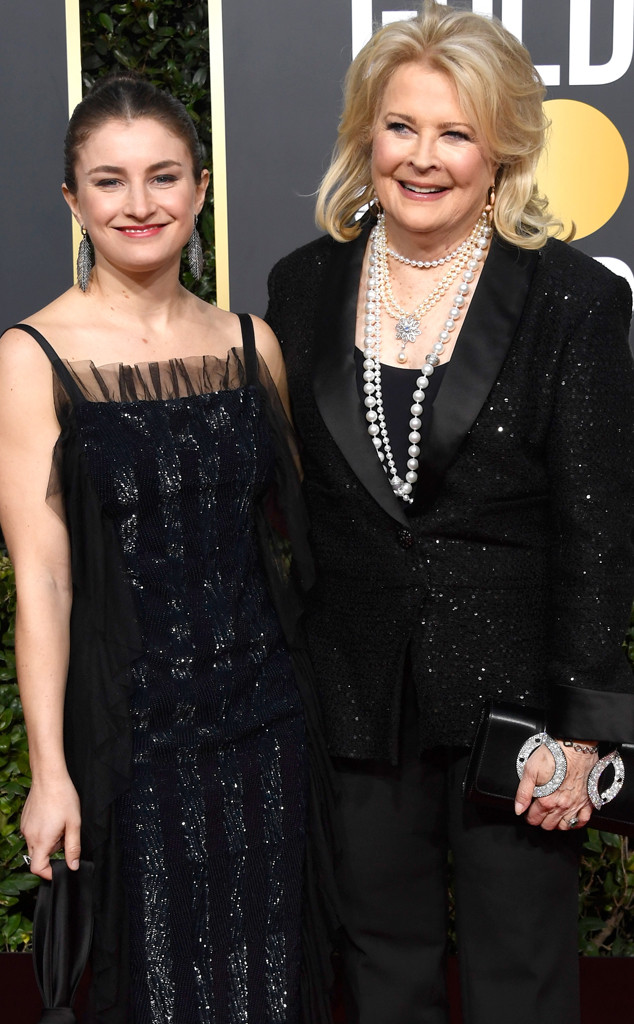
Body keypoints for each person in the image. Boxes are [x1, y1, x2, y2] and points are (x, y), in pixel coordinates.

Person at [265, 3, 634, 1022]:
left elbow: (597, 532)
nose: (421, 158)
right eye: (400, 127)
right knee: (380, 973)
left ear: (501, 147)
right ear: (363, 134)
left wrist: (587, 732)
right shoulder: (300, 288)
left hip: (517, 720)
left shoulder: (571, 301)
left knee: (520, 979)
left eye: (455, 132)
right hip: (356, 705)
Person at [0, 74, 335, 1024]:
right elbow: (47, 581)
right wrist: (50, 772)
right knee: (155, 982)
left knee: (268, 980)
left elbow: (292, 543)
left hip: (268, 725)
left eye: (163, 177)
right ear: (73, 200)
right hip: (131, 739)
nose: (139, 204)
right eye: (109, 182)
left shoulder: (250, 345)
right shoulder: (31, 359)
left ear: (200, 190)